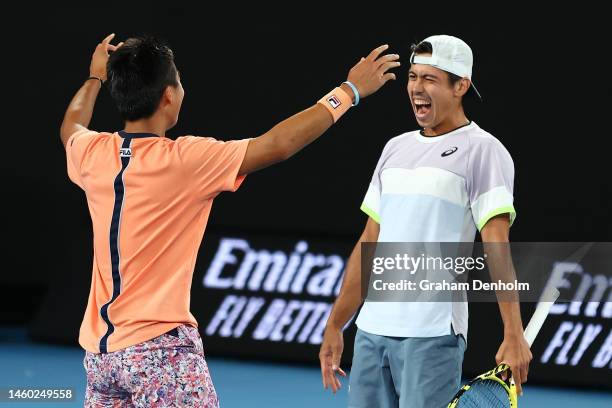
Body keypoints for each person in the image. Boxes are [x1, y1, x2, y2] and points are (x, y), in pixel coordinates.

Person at [60, 33, 400, 407]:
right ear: (169, 96)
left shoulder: (91, 153)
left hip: (100, 359)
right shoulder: (185, 159)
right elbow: (277, 145)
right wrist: (348, 91)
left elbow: (72, 125)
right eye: (179, 81)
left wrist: (94, 78)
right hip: (160, 354)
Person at [319, 35, 532, 408]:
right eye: (413, 77)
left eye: (430, 79)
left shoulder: (484, 151)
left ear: (460, 86)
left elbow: (496, 245)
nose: (417, 88)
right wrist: (337, 323)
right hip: (371, 332)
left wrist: (513, 332)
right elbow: (371, 241)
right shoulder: (395, 148)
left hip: (433, 335)